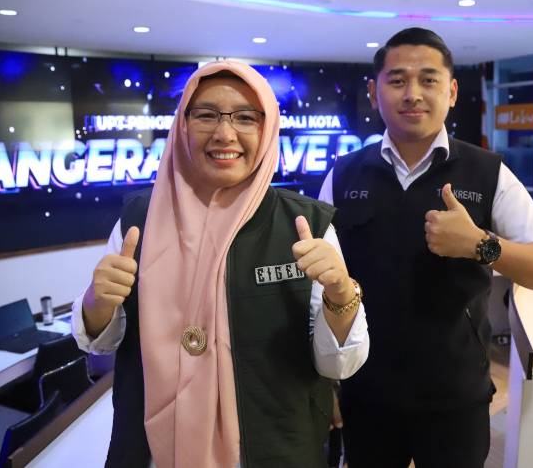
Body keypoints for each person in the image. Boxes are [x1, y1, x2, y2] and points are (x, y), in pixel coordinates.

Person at [72, 60, 369, 468]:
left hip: (275, 452)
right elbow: (100, 342)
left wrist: (341, 293)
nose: (225, 134)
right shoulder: (139, 220)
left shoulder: (306, 224)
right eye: (206, 115)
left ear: (267, 128)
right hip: (154, 452)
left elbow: (339, 362)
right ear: (182, 125)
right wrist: (97, 302)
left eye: (245, 117)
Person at [318, 28, 533, 468]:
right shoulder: (342, 176)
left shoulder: (487, 172)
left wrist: (481, 245)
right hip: (366, 393)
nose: (413, 94)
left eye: (428, 80)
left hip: (456, 399)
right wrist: (325, 383)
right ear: (374, 93)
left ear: (451, 92)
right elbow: (315, 288)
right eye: (397, 80)